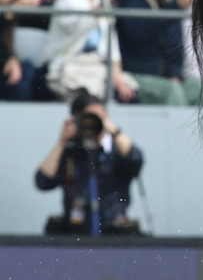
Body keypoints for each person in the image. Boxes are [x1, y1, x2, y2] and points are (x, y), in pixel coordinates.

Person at [35, 93, 143, 233]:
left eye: (100, 116)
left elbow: (135, 160)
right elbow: (43, 181)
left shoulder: (116, 150)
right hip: (76, 230)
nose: (94, 121)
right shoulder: (70, 152)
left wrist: (113, 131)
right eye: (89, 117)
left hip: (112, 230)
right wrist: (62, 142)